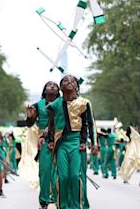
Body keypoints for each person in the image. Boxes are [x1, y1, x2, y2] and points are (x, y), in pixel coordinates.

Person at [47, 75, 90, 209]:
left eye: (72, 81)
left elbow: (87, 125)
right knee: (63, 177)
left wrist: (86, 141)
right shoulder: (54, 105)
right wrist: (49, 139)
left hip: (76, 142)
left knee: (74, 176)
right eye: (65, 80)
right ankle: (63, 206)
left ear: (77, 87)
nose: (69, 82)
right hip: (61, 144)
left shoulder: (84, 103)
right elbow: (51, 125)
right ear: (61, 87)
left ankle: (77, 206)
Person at [26, 80, 60, 209]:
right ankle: (44, 200)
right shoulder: (37, 105)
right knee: (44, 170)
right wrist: (29, 116)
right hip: (44, 140)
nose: (52, 86)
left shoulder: (63, 103)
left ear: (58, 90)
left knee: (57, 170)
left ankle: (57, 197)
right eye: (49, 85)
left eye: (55, 85)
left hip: (61, 139)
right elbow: (29, 124)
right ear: (45, 90)